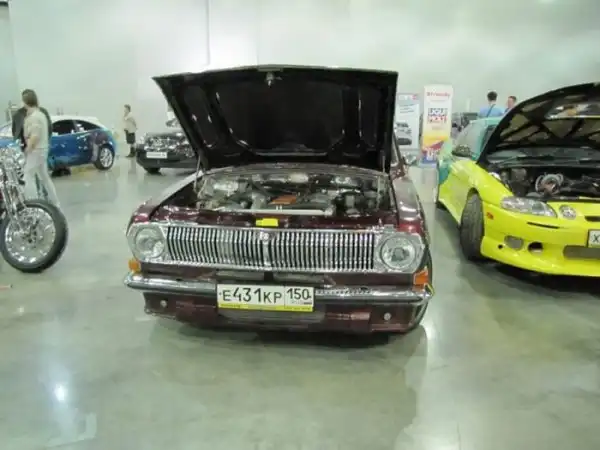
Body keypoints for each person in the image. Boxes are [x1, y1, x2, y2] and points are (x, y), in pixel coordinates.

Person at [21, 89, 60, 206]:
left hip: (36, 151)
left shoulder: (34, 117)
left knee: (28, 176)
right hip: (42, 150)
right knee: (44, 177)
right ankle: (55, 203)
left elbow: (35, 136)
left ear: (26, 101)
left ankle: (33, 203)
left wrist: (28, 149)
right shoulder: (41, 114)